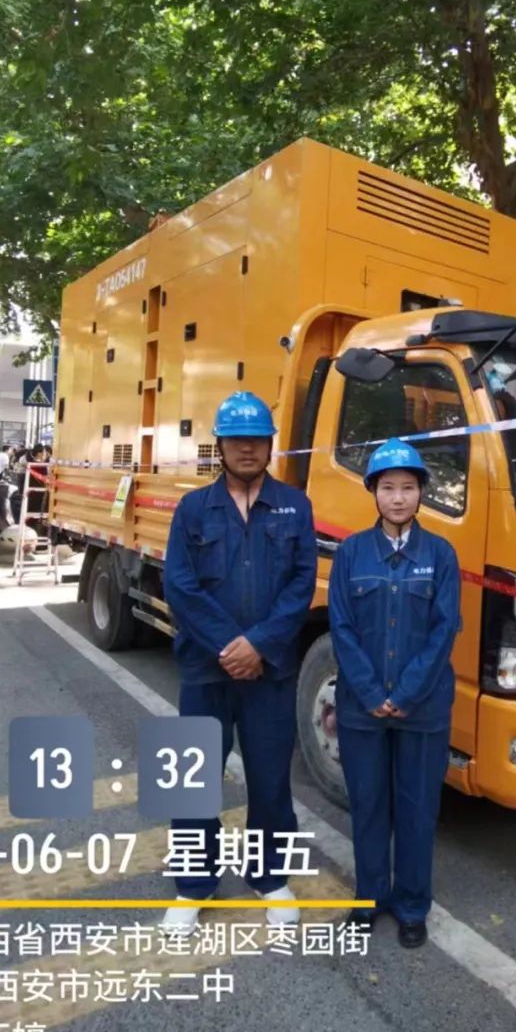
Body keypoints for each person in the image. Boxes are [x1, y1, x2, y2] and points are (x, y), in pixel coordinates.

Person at [161, 391, 317, 933]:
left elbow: (301, 584)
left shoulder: (295, 506)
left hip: (270, 671)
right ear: (220, 446)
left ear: (270, 445)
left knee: (270, 777)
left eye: (256, 439)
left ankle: (270, 876)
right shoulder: (193, 509)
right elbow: (179, 586)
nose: (247, 448)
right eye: (236, 440)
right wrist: (231, 646)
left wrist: (260, 646)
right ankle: (192, 884)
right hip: (206, 668)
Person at [328, 438, 461, 949]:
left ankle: (411, 906)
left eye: (408, 487)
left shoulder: (441, 555)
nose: (398, 498)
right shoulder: (351, 553)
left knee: (417, 810)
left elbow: (443, 631)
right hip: (362, 711)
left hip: (422, 711)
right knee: (368, 807)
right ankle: (369, 899)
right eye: (388, 487)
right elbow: (341, 627)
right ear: (373, 492)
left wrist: (405, 694)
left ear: (422, 492)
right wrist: (369, 692)